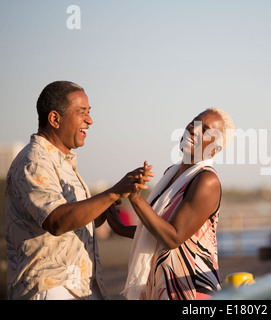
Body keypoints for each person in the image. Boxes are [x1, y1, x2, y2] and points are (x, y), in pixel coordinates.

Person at [5, 81, 152, 300]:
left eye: (89, 113)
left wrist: (101, 211)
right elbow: (56, 221)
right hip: (51, 288)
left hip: (78, 287)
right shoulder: (34, 161)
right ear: (55, 119)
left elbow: (72, 224)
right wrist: (112, 193)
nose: (89, 121)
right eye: (81, 113)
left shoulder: (63, 162)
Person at [123, 107, 235, 300]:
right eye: (195, 122)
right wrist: (116, 221)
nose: (194, 129)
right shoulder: (172, 173)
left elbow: (173, 237)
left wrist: (136, 199)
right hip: (160, 286)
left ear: (214, 148)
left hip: (188, 288)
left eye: (205, 130)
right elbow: (153, 230)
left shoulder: (206, 180)